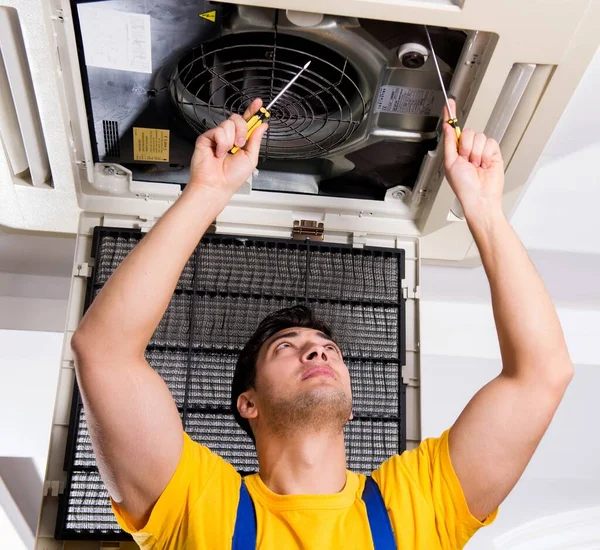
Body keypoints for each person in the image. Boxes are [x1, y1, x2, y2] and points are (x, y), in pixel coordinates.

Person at [71, 97, 573, 549]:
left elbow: (542, 373)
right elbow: (104, 352)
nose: (317, 352)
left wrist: (486, 210)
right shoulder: (198, 506)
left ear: (351, 407)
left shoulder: (418, 503)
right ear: (248, 403)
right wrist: (206, 190)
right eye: (286, 347)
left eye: (327, 348)